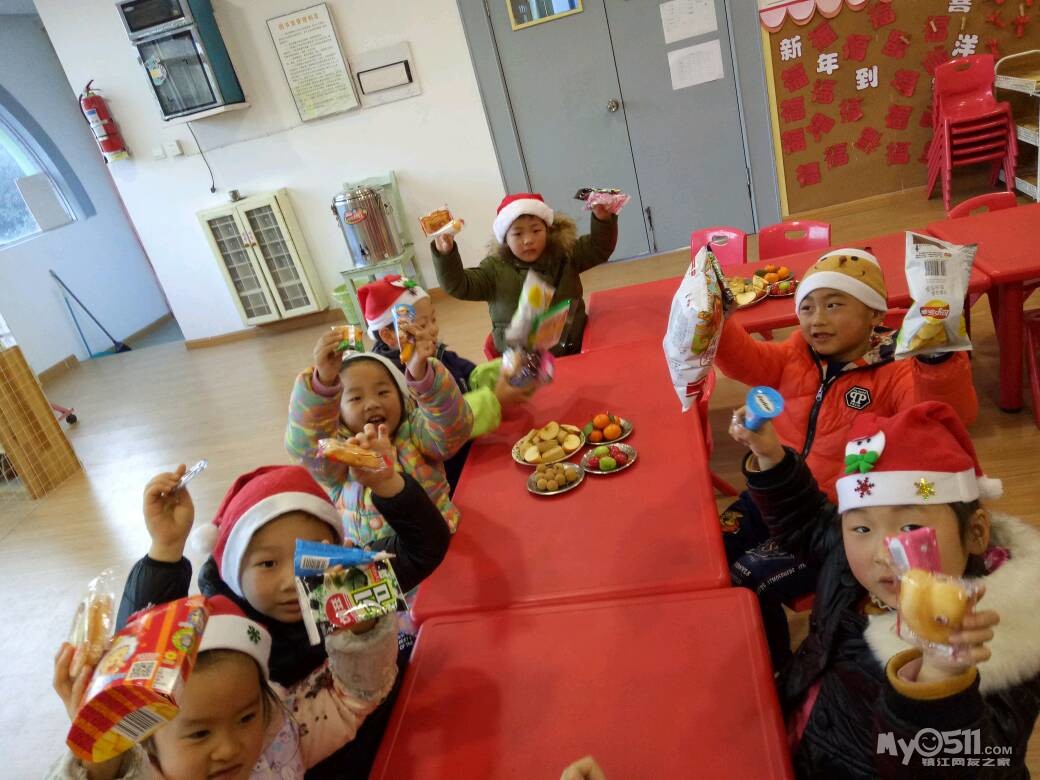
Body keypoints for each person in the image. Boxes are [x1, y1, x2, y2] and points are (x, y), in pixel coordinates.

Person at [729, 401, 1040, 778]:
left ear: (975, 533)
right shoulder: (849, 562)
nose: (882, 553)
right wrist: (771, 457)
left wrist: (939, 675)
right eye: (862, 528)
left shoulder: (1002, 639)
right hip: (803, 728)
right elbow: (806, 520)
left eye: (910, 528)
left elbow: (968, 766)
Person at [716, 248, 978, 665]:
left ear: (875, 313)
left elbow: (943, 414)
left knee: (747, 577)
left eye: (834, 305)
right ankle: (728, 647)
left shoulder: (897, 368)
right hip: (778, 490)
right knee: (711, 549)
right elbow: (746, 360)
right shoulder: (798, 352)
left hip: (836, 520)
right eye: (807, 307)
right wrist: (719, 320)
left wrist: (937, 359)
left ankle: (771, 670)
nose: (817, 319)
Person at [119, 450, 450, 778]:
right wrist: (165, 551)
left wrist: (389, 485)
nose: (292, 581)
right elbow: (140, 654)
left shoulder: (340, 579)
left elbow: (425, 549)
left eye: (310, 556)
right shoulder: (225, 630)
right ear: (235, 571)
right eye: (267, 563)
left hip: (365, 730)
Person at [50, 594, 397, 779]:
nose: (230, 749)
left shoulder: (281, 737)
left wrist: (361, 627)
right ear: (148, 738)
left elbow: (351, 696)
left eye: (246, 718)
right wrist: (100, 757)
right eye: (200, 733)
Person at [287, 321, 472, 546]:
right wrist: (322, 385)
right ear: (338, 413)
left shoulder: (414, 431)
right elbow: (306, 448)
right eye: (356, 398)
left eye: (383, 392)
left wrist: (423, 377)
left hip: (439, 543)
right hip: (373, 559)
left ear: (402, 397)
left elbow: (453, 430)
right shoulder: (338, 451)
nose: (372, 403)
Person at [356, 274, 533, 493]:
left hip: (479, 448)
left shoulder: (438, 352)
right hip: (454, 474)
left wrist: (504, 369)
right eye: (422, 324)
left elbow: (469, 376)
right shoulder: (394, 384)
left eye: (433, 319)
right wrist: (495, 399)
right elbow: (441, 424)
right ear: (389, 336)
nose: (433, 329)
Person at [432, 192, 618, 356]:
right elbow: (458, 285)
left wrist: (603, 220)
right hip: (523, 363)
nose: (528, 240)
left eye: (536, 230)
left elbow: (599, 248)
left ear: (548, 231)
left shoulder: (566, 254)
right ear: (505, 239)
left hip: (574, 348)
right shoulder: (494, 270)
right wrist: (445, 254)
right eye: (518, 234)